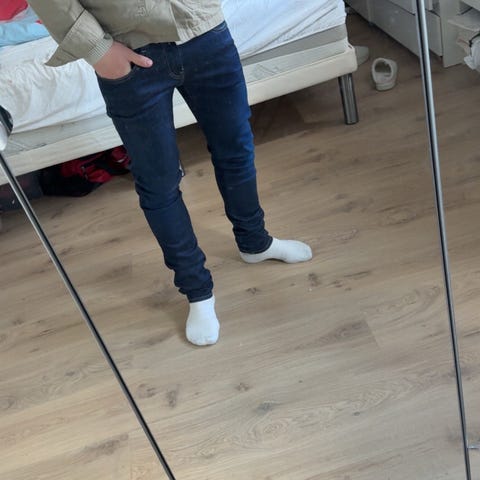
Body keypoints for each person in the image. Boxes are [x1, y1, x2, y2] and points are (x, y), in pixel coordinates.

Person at [29, 1, 313, 346]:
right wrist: (98, 50)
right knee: (158, 181)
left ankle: (256, 243)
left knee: (236, 150)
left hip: (203, 28)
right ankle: (197, 290)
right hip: (128, 48)